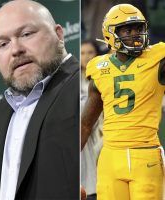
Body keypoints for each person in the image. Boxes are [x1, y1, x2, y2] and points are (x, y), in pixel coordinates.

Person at [0, 0, 80, 199]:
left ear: (59, 35)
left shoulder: (85, 86)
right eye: (3, 44)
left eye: (26, 34)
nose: (15, 49)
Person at [81, 4, 165, 200]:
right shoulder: (99, 67)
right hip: (110, 158)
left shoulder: (158, 59)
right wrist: (68, 165)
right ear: (110, 33)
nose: (135, 34)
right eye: (128, 30)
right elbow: (86, 125)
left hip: (146, 156)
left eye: (138, 28)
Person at [80, 40, 103, 200]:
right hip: (85, 141)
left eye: (90, 52)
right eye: (82, 53)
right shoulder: (73, 84)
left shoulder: (104, 79)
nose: (86, 57)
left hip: (104, 136)